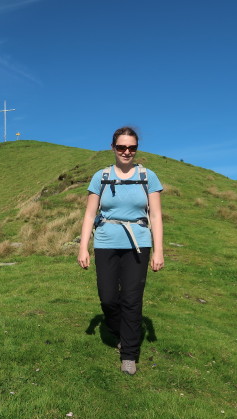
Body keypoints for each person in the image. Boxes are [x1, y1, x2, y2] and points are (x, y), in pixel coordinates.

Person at [78, 126, 164, 375]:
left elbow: (156, 216)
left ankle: (129, 353)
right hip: (105, 242)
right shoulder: (101, 176)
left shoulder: (148, 176)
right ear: (113, 148)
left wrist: (159, 251)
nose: (127, 152)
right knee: (107, 297)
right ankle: (118, 327)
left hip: (138, 244)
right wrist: (83, 247)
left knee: (132, 298)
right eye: (122, 147)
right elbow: (89, 214)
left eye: (132, 148)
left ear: (137, 149)